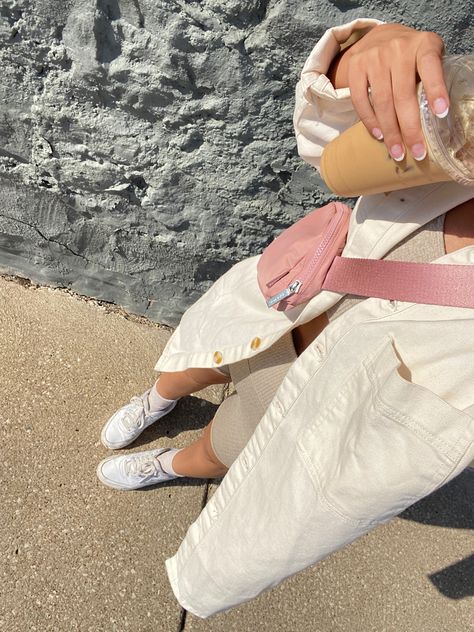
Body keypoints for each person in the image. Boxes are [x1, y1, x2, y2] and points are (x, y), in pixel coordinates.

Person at [96, 18, 474, 617]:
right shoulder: (469, 136)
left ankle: (169, 465)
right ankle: (157, 399)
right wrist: (364, 58)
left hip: (323, 396)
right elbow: (334, 144)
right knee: (193, 361)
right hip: (287, 297)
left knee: (224, 447)